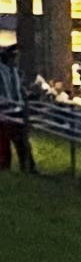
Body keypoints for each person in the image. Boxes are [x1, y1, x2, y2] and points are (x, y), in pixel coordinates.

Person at [0, 44, 35, 173]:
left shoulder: (14, 71)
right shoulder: (2, 71)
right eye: (12, 57)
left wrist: (24, 100)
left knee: (22, 141)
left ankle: (27, 167)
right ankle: (4, 167)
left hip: (17, 110)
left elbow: (18, 89)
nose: (14, 60)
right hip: (4, 111)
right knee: (4, 142)